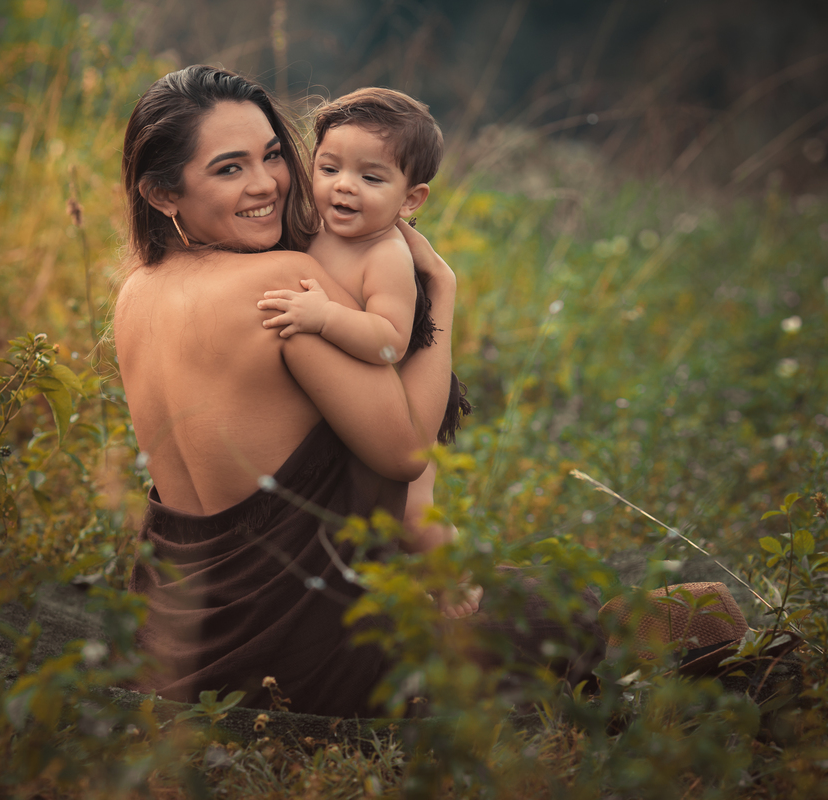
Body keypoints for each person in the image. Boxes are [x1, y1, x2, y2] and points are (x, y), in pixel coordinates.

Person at [115, 65, 602, 718]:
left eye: (272, 155)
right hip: (301, 652)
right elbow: (405, 454)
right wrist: (443, 292)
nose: (266, 184)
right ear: (162, 193)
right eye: (229, 168)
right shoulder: (286, 280)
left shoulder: (136, 290)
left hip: (176, 645)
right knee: (562, 606)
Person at [255, 87, 478, 618]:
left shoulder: (385, 254)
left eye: (371, 178)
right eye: (329, 168)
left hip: (400, 398)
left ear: (410, 200)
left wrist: (324, 317)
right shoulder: (317, 227)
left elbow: (389, 339)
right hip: (354, 402)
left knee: (412, 517)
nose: (344, 187)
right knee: (365, 513)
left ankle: (459, 581)